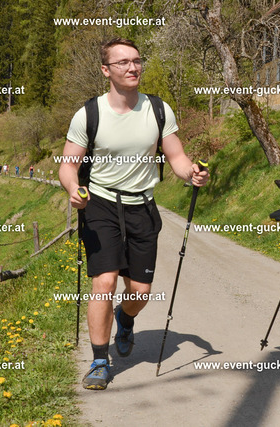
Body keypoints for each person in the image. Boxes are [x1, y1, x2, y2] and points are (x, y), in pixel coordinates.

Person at [58, 37, 208, 391]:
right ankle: (99, 360)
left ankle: (124, 320)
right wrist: (73, 189)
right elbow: (68, 165)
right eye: (123, 62)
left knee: (140, 291)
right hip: (101, 204)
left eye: (137, 61)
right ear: (105, 70)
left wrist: (191, 173)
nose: (132, 67)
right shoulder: (89, 114)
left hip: (142, 205)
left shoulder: (158, 109)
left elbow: (176, 157)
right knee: (105, 281)